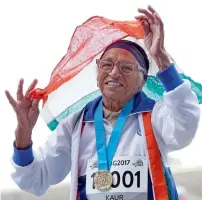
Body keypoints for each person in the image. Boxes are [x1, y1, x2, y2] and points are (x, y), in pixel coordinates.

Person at [5, 5, 200, 200]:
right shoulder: (75, 123)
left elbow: (185, 127)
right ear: (97, 74)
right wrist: (23, 135)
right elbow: (36, 178)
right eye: (106, 65)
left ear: (142, 81)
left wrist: (160, 56)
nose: (114, 72)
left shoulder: (155, 114)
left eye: (126, 67)